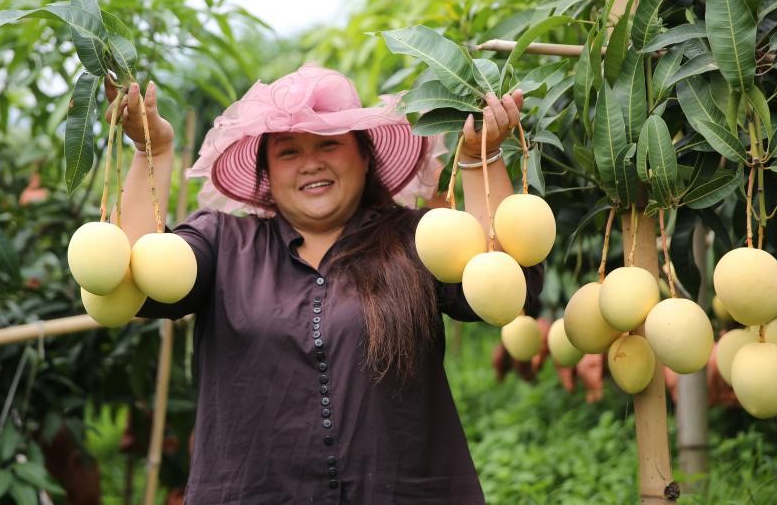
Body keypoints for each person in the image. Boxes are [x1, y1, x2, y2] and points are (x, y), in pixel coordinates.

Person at [106, 63, 543, 504]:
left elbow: (507, 285)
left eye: (329, 144)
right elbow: (135, 281)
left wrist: (481, 159)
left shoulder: (417, 239)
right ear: (267, 173)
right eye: (288, 152)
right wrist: (150, 151)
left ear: (364, 155)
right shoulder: (223, 243)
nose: (311, 163)